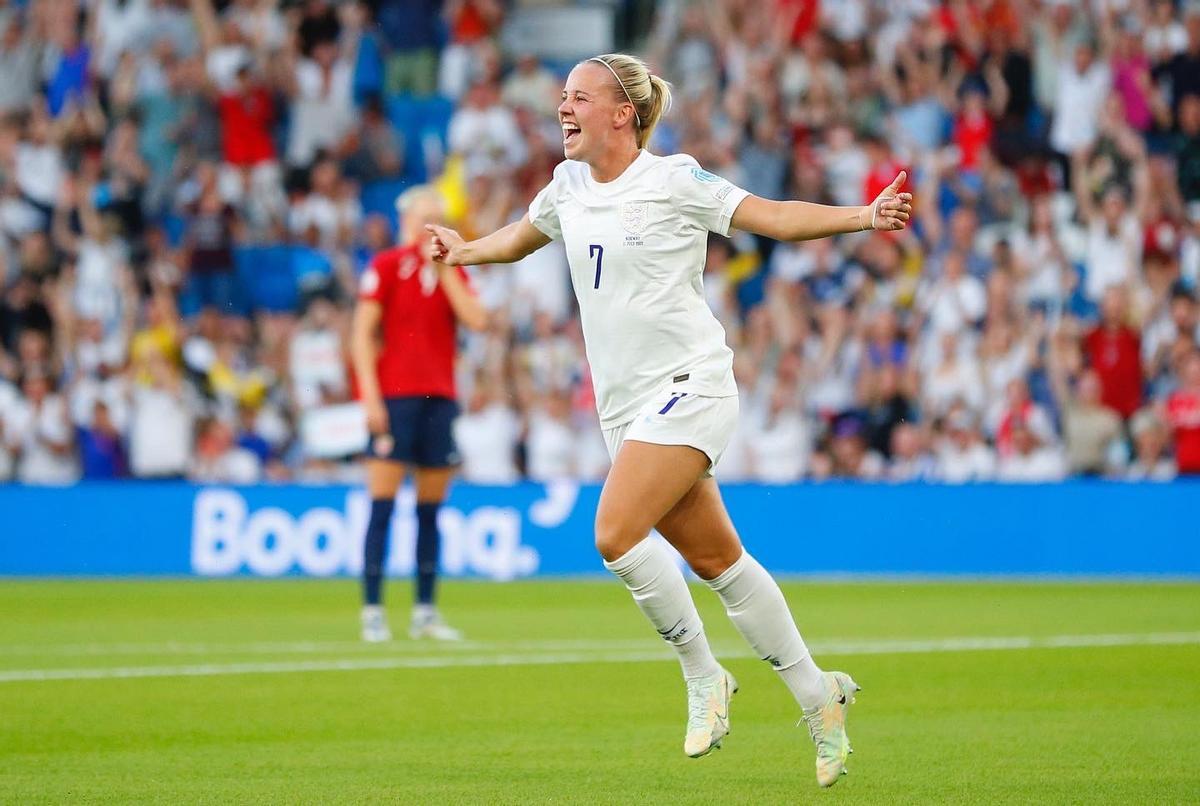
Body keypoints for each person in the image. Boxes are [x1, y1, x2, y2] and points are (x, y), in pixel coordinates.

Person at [426, 53, 912, 787]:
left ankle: (704, 676)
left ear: (622, 113)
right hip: (624, 410)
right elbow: (521, 236)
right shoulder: (565, 187)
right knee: (723, 564)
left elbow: (772, 218)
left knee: (615, 534)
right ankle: (820, 696)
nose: (563, 108)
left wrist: (864, 215)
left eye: (579, 97)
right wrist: (464, 250)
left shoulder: (674, 179)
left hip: (691, 384)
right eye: (562, 97)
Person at [350, 185, 487, 642]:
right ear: (407, 223)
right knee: (382, 506)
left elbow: (477, 321)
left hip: (439, 398)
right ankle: (373, 610)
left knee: (430, 510)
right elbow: (361, 336)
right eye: (426, 219)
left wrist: (446, 270)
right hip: (394, 399)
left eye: (439, 219)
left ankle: (424, 611)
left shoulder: (454, 269)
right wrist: (369, 399)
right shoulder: (387, 265)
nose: (433, 228)